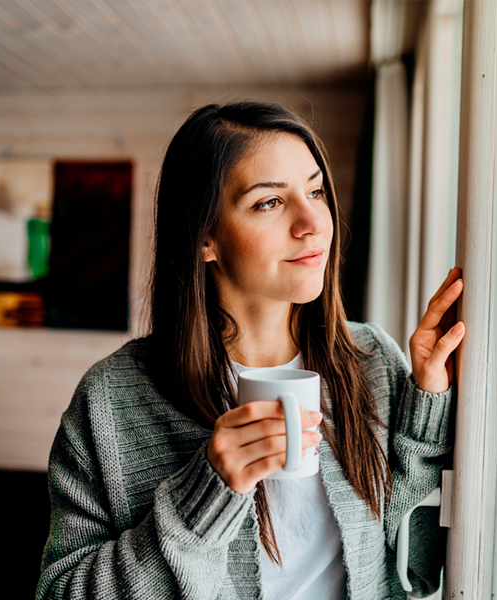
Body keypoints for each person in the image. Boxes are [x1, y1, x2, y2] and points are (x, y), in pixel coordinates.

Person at [35, 101, 465, 600]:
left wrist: (427, 408)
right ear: (204, 238)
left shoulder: (372, 361)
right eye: (269, 203)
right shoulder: (112, 399)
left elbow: (422, 568)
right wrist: (207, 493)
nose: (313, 223)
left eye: (315, 191)